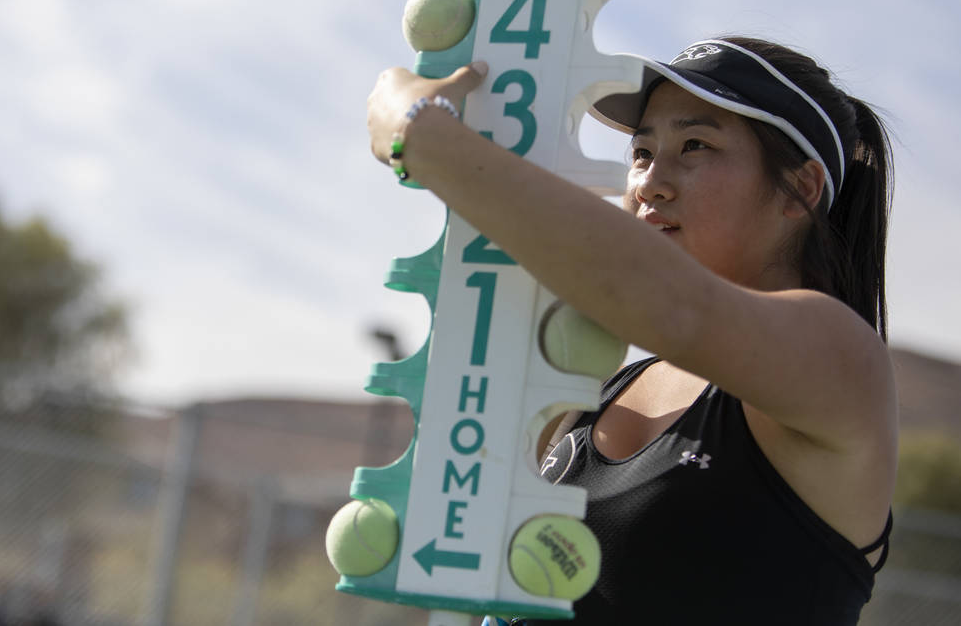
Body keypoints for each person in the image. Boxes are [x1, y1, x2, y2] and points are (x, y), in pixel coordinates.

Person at [366, 36, 896, 625]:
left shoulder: (840, 363)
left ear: (801, 189)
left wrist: (425, 136)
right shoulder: (606, 386)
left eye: (695, 145)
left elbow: (664, 303)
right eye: (642, 153)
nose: (649, 183)